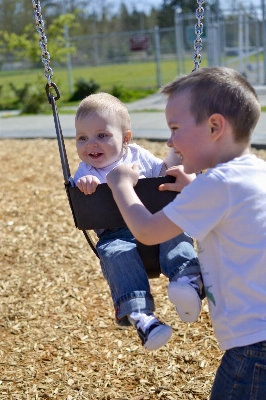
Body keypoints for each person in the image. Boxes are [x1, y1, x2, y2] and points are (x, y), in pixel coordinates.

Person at [106, 67, 266, 399]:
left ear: (214, 127)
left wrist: (121, 187)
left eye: (175, 129)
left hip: (254, 344)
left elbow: (149, 231)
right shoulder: (256, 171)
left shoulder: (216, 184)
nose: (170, 141)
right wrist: (194, 187)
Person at [73, 92, 204, 351]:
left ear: (126, 139)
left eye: (102, 135)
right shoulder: (85, 170)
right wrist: (84, 184)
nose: (91, 144)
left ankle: (188, 281)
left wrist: (179, 158)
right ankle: (142, 318)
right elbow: (79, 189)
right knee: (113, 252)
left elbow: (162, 173)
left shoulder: (137, 155)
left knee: (175, 231)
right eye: (82, 138)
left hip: (154, 222)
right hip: (115, 233)